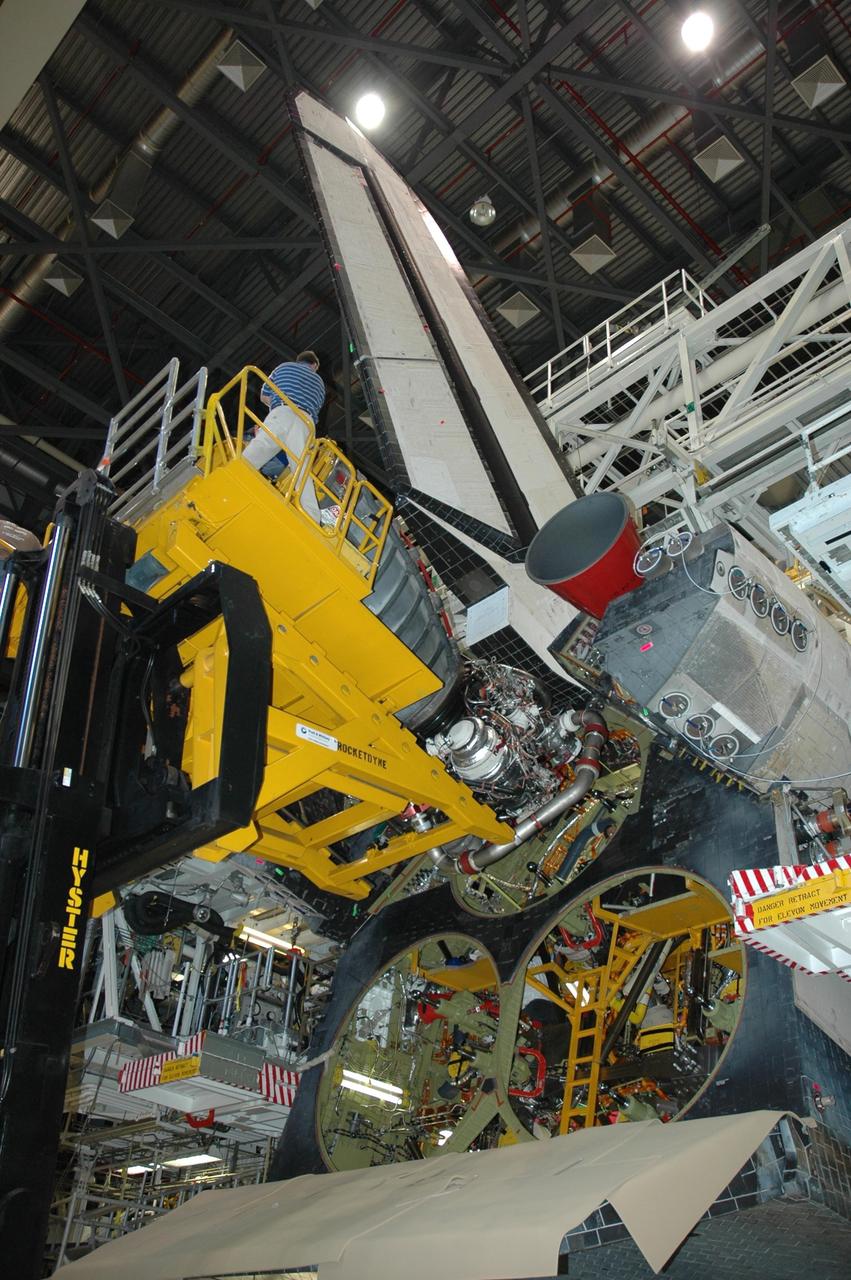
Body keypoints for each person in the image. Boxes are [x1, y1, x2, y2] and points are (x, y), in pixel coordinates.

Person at [243, 351, 325, 520]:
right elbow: (317, 406)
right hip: (306, 422)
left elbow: (264, 395)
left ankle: (235, 474)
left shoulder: (284, 367)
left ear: (299, 360)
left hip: (283, 410)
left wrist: (275, 404)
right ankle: (312, 516)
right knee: (301, 468)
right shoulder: (320, 382)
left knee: (261, 447)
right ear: (314, 365)